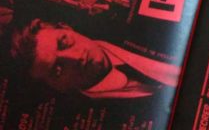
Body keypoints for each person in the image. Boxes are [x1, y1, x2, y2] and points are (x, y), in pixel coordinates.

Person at [11, 18, 180, 98]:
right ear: (56, 88)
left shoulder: (135, 23)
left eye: (64, 42)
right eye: (58, 70)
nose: (76, 57)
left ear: (67, 27)